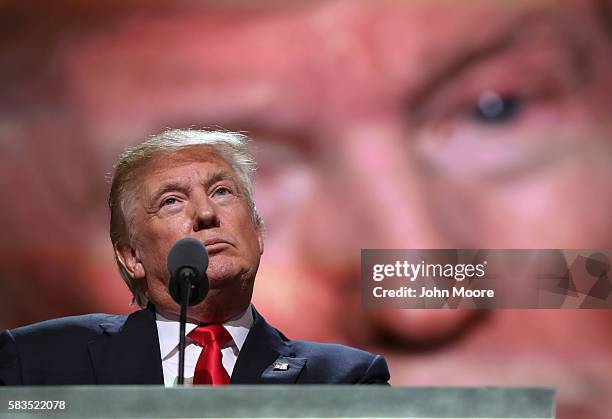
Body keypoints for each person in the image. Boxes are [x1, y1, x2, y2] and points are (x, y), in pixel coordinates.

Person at [0, 129, 390, 385]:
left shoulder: (344, 380)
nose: (206, 214)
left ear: (257, 232)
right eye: (171, 201)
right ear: (131, 256)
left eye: (222, 191)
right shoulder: (35, 363)